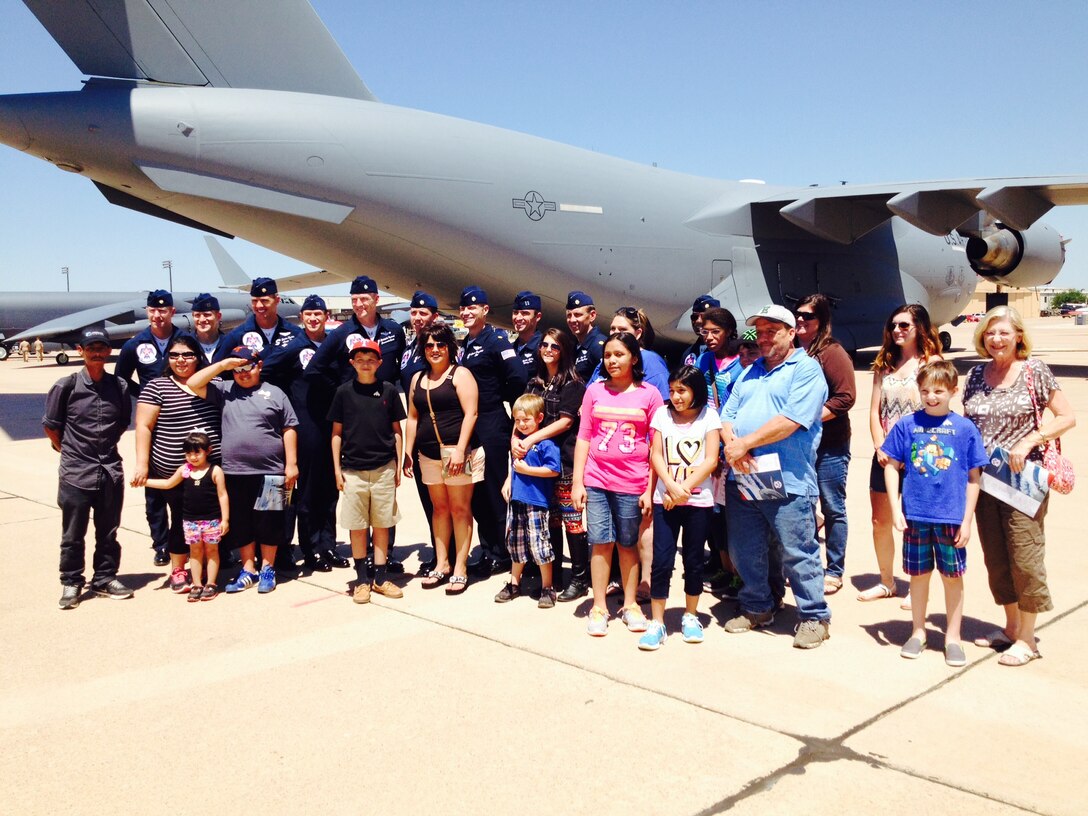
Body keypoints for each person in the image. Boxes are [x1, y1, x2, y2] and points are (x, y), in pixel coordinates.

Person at [963, 306, 1075, 667]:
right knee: (996, 559)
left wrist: (1030, 441)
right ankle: (1011, 628)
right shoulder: (977, 374)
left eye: (1004, 333)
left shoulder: (1033, 371)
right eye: (990, 333)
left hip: (1022, 481)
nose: (996, 339)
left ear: (1018, 337)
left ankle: (1028, 639)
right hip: (985, 480)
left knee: (1025, 557)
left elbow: (1067, 416)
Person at [720, 304, 831, 650]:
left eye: (772, 331)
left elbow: (791, 420)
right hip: (746, 476)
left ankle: (814, 615)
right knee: (745, 549)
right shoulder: (751, 371)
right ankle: (758, 606)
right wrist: (733, 446)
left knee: (797, 550)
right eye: (760, 332)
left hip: (788, 477)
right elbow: (727, 415)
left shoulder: (807, 370)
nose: (764, 338)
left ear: (791, 332)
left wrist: (746, 444)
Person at [882, 361, 988, 667]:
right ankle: (918, 631)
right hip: (915, 514)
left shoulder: (965, 429)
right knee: (918, 576)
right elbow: (891, 465)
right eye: (925, 390)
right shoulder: (907, 425)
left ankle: (952, 637)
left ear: (953, 392)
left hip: (951, 518)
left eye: (939, 391)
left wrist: (967, 520)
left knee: (952, 577)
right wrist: (894, 507)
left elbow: (974, 477)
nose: (931, 396)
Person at [306, 275, 406, 569]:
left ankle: (384, 557)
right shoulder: (341, 333)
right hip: (355, 420)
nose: (360, 304)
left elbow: (397, 367)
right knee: (360, 497)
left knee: (385, 497)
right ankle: (363, 561)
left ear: (376, 299)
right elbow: (314, 370)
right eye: (354, 300)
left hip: (384, 412)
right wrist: (343, 390)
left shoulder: (393, 331)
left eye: (365, 299)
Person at [187, 347, 299, 594]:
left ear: (259, 366)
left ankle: (268, 567)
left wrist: (291, 464)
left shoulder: (275, 393)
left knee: (270, 522)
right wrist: (222, 365)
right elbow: (193, 383)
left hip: (273, 471)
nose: (242, 373)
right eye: (237, 369)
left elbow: (289, 428)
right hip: (235, 472)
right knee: (242, 523)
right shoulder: (225, 390)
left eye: (247, 367)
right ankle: (248, 569)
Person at [573, 332, 662, 637]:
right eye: (608, 355)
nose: (612, 360)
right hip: (597, 479)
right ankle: (599, 606)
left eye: (619, 354)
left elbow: (656, 447)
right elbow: (584, 436)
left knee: (628, 544)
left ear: (634, 358)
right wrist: (577, 482)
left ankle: (630, 604)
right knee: (600, 542)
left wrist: (650, 490)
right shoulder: (594, 392)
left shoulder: (649, 395)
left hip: (632, 481)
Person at [43, 327, 134, 609]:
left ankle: (105, 578)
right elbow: (51, 426)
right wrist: (70, 451)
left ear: (108, 351)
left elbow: (121, 423)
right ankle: (71, 582)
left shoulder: (119, 386)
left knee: (108, 531)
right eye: (91, 347)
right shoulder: (65, 386)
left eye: (102, 347)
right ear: (80, 351)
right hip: (75, 473)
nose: (97, 352)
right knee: (73, 534)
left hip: (109, 470)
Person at [859, 304, 943, 603]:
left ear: (920, 328)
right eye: (894, 325)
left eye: (904, 325)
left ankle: (917, 586)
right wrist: (880, 445)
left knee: (916, 523)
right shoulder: (884, 364)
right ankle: (886, 581)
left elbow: (937, 411)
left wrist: (915, 451)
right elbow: (874, 411)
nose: (897, 330)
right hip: (885, 454)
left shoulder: (930, 364)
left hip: (921, 456)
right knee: (880, 521)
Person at [639, 365, 721, 650]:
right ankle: (657, 621)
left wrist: (683, 489)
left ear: (695, 391)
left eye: (682, 391)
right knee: (662, 561)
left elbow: (711, 459)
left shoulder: (709, 416)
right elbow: (656, 454)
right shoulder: (662, 414)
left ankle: (690, 615)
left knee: (694, 560)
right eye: (672, 391)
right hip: (667, 501)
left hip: (698, 502)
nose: (675, 397)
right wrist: (671, 488)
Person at [263, 294, 345, 573]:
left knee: (330, 489)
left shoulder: (333, 345)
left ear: (326, 317)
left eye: (318, 314)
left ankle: (328, 545)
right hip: (304, 425)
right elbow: (268, 370)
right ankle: (310, 549)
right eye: (308, 314)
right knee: (307, 491)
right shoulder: (294, 346)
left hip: (330, 424)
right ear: (301, 318)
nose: (313, 318)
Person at [402, 322, 484, 595]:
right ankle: (442, 563)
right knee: (439, 509)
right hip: (427, 454)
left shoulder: (460, 375)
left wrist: (461, 449)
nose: (435, 350)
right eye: (429, 345)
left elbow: (471, 414)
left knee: (460, 509)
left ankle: (461, 567)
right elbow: (413, 418)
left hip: (457, 453)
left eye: (440, 344)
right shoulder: (417, 379)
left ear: (450, 347)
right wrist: (408, 452)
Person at [131, 334, 223, 573]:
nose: (180, 360)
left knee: (211, 517)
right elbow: (144, 426)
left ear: (198, 357)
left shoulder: (211, 384)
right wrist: (142, 464)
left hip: (210, 471)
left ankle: (207, 565)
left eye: (187, 355)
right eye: (174, 355)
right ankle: (179, 569)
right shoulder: (156, 386)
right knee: (182, 520)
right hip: (174, 471)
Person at [329, 340, 406, 604]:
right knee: (358, 526)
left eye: (371, 359)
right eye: (359, 358)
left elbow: (397, 430)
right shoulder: (343, 392)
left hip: (384, 468)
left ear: (380, 363)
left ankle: (380, 576)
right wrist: (337, 470)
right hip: (353, 470)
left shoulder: (388, 391)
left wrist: (396, 464)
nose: (365, 363)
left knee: (382, 523)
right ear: (352, 362)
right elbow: (336, 434)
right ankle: (361, 578)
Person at [458, 286, 528, 577]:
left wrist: (512, 409)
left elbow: (517, 376)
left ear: (485, 311)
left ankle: (505, 551)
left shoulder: (496, 340)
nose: (466, 313)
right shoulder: (464, 344)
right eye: (463, 309)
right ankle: (488, 551)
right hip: (470, 425)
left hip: (491, 422)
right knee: (477, 494)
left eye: (472, 308)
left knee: (496, 491)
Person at [517, 328, 588, 601]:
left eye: (555, 346)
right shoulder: (534, 383)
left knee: (572, 521)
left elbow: (566, 421)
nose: (547, 350)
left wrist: (531, 437)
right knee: (552, 521)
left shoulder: (573, 384)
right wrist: (516, 439)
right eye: (544, 345)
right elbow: (522, 412)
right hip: (537, 463)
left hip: (564, 462)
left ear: (565, 351)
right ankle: (555, 576)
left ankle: (580, 579)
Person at [794, 294, 856, 596]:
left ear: (821, 321)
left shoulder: (831, 352)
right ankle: (806, 565)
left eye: (808, 316)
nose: (801, 320)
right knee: (802, 504)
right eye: (799, 315)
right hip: (803, 446)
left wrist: (809, 419)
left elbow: (845, 397)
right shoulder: (794, 351)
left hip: (830, 446)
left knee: (833, 506)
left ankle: (834, 569)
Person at [143, 432, 229, 601]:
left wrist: (225, 519)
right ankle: (197, 584)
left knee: (212, 551)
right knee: (195, 552)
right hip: (190, 521)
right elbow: (167, 484)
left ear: (208, 451)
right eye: (188, 453)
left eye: (197, 452)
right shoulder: (184, 470)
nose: (193, 457)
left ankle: (211, 584)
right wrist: (144, 481)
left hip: (211, 520)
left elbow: (222, 495)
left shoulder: (215, 470)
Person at [495, 394, 561, 607]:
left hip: (536, 503)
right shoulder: (519, 443)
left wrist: (528, 470)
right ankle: (514, 583)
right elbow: (514, 466)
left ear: (539, 418)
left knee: (539, 544)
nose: (522, 424)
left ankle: (547, 587)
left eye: (526, 420)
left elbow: (553, 470)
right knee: (516, 543)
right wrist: (508, 481)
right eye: (517, 420)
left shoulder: (545, 444)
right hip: (517, 501)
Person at [696, 306, 745, 594]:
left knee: (733, 513)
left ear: (729, 331)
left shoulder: (742, 360)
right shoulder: (704, 359)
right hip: (709, 441)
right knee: (714, 511)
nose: (710, 337)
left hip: (734, 442)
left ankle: (740, 573)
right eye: (705, 332)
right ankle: (725, 569)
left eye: (716, 332)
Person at [398, 291, 441, 571]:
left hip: (440, 434)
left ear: (434, 317)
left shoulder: (441, 346)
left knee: (444, 502)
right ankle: (438, 550)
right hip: (418, 433)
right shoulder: (410, 349)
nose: (417, 318)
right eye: (414, 313)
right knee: (428, 500)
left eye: (423, 313)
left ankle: (444, 555)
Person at [216, 277, 302, 391]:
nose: (259, 306)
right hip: (251, 402)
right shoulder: (238, 335)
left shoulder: (295, 334)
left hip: (287, 401)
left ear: (277, 300)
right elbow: (218, 370)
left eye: (265, 300)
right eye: (255, 301)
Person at [589, 307, 669, 399]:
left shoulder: (651, 361)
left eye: (622, 329)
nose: (616, 333)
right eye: (613, 328)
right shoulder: (606, 360)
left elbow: (664, 401)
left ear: (638, 333)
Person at [115, 290, 182, 396]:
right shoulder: (134, 344)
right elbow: (120, 378)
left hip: (182, 407)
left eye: (162, 311)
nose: (156, 315)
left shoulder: (187, 342)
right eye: (152, 310)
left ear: (172, 312)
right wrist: (144, 395)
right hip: (150, 409)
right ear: (147, 311)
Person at [566, 290, 607, 382]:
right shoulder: (574, 347)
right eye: (569, 315)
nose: (572, 320)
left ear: (592, 316)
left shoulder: (598, 345)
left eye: (578, 315)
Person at [188, 293, 230, 366]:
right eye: (197, 315)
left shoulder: (229, 344)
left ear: (218, 316)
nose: (202, 320)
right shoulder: (186, 344)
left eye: (207, 315)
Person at [510, 290, 544, 375]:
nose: (518, 318)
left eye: (525, 313)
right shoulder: (510, 348)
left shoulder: (543, 346)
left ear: (538, 317)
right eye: (515, 313)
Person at [681, 295, 720, 366]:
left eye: (703, 317)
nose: (698, 321)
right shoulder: (688, 354)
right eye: (694, 317)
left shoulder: (726, 350)